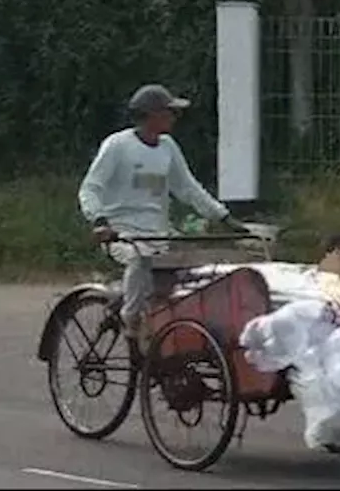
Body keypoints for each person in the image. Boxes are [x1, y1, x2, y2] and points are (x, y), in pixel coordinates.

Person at [78, 83, 251, 339]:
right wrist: (100, 220)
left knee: (191, 266)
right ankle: (131, 320)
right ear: (151, 115)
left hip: (158, 232)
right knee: (141, 259)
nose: (173, 117)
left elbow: (189, 188)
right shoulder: (117, 145)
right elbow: (90, 188)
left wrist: (223, 216)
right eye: (168, 112)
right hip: (122, 232)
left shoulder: (167, 147)